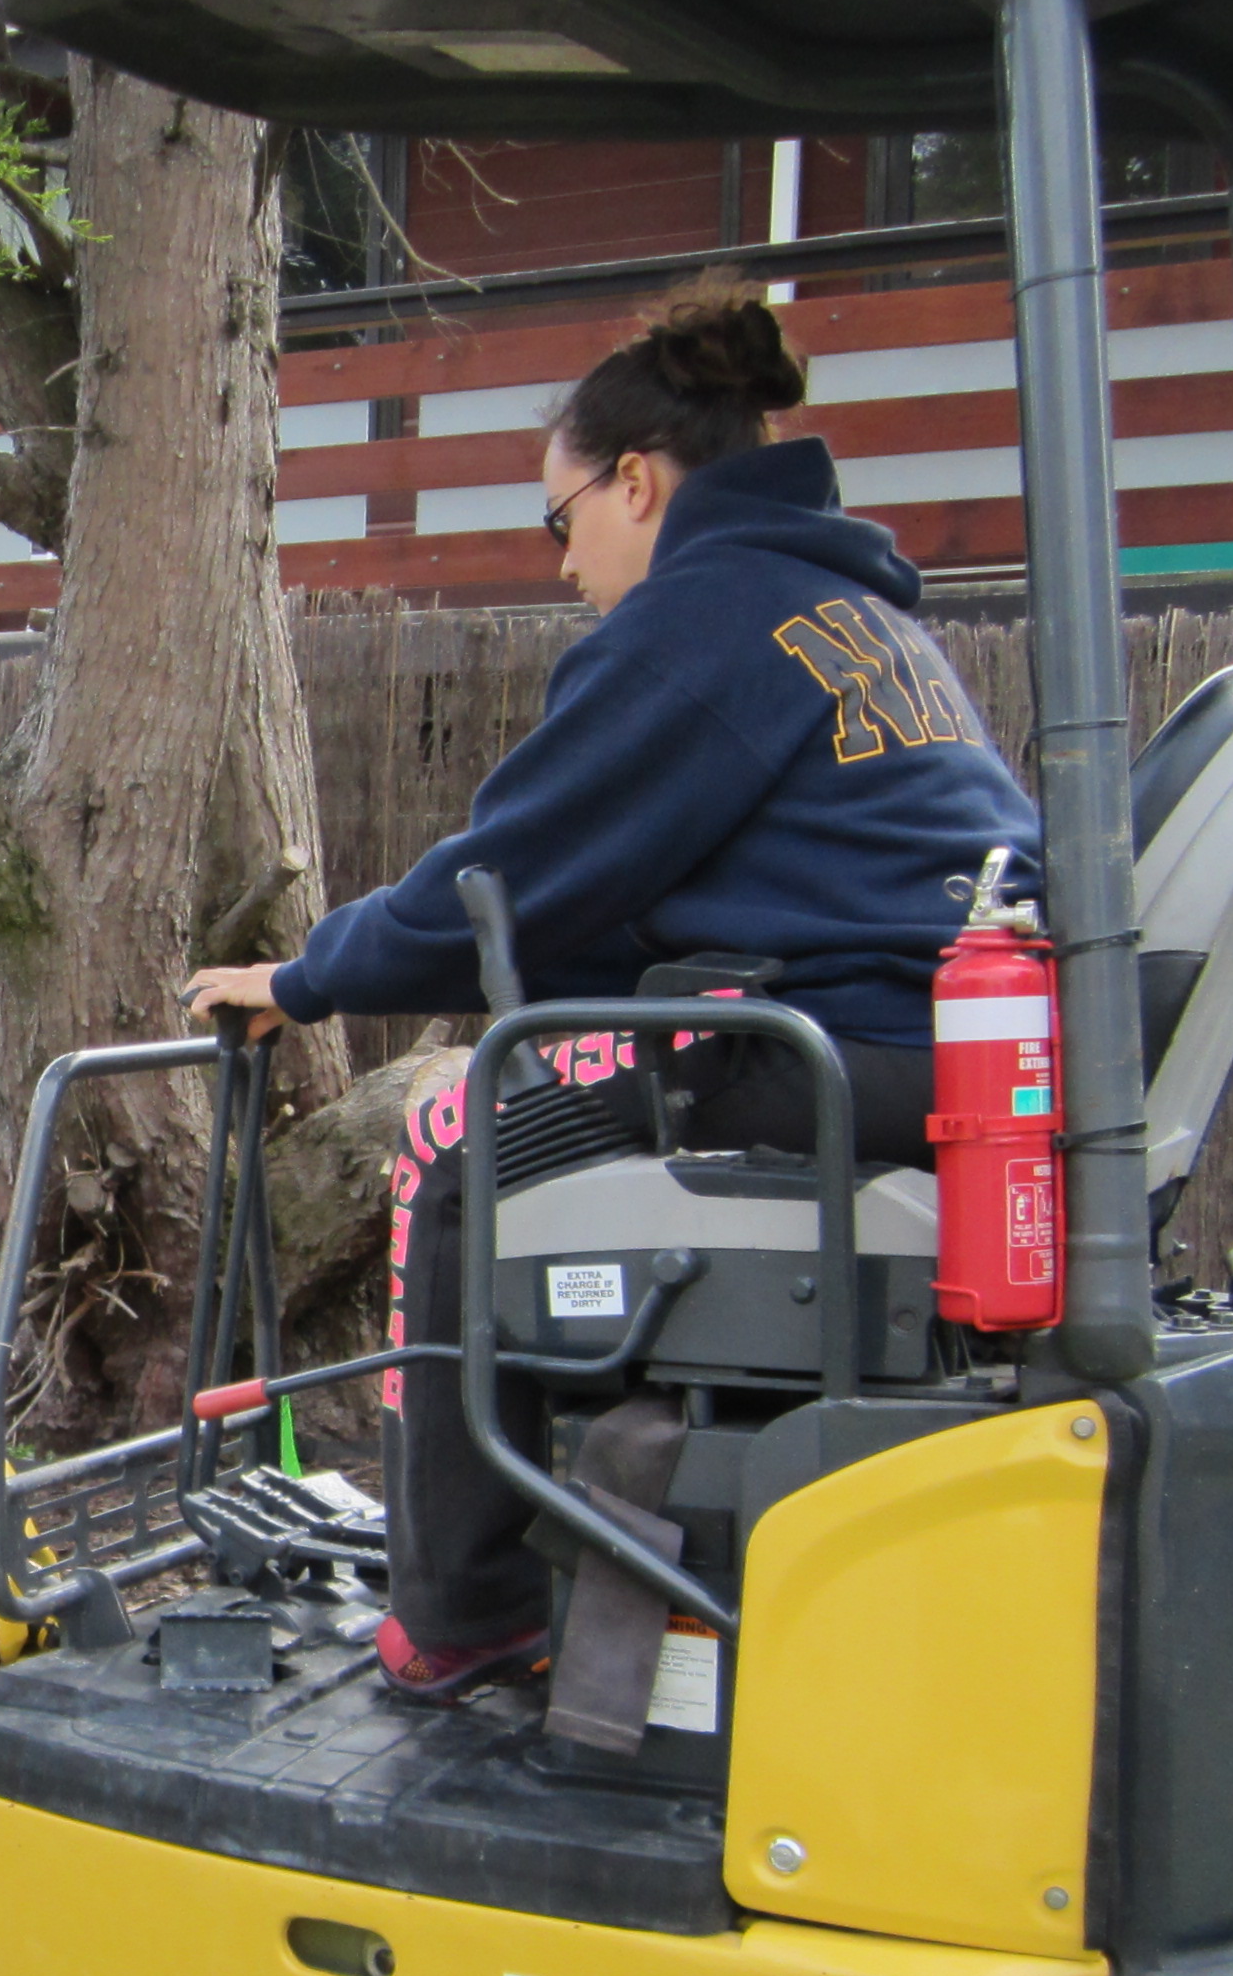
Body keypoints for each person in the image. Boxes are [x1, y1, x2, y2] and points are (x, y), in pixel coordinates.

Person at [184, 284, 1039, 1703]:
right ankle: (592, 1511)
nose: (567, 561)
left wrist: (309, 975)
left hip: (830, 1059)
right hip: (940, 1049)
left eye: (560, 521)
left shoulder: (705, 620)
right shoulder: (848, 615)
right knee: (557, 1085)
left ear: (636, 483)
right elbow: (651, 900)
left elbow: (508, 879)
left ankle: (466, 1612)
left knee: (470, 1153)